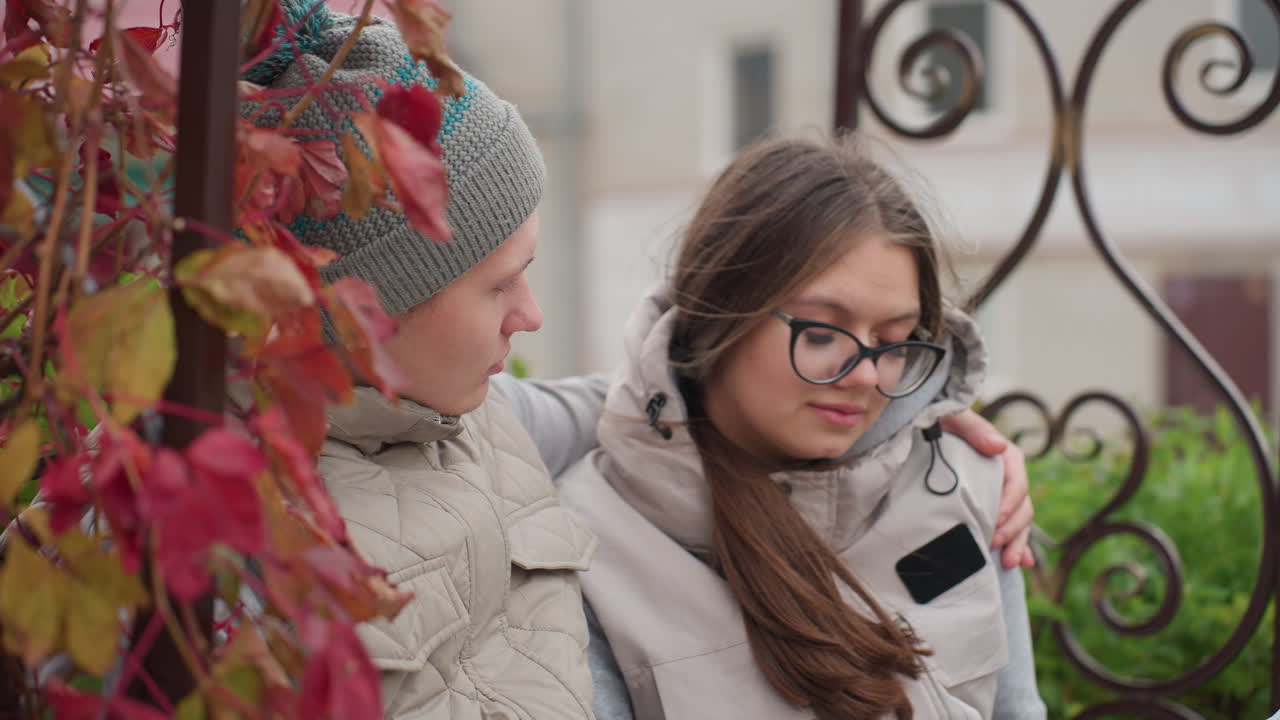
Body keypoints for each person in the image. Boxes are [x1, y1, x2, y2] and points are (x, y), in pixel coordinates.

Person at [556, 134, 1047, 719]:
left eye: (893, 342)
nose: (863, 375)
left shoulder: (966, 484)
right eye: (820, 333)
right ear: (723, 311)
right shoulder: (587, 549)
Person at [244, 4, 601, 718]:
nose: (530, 316)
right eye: (499, 284)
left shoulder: (478, 417)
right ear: (368, 311)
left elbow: (615, 409)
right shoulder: (232, 532)